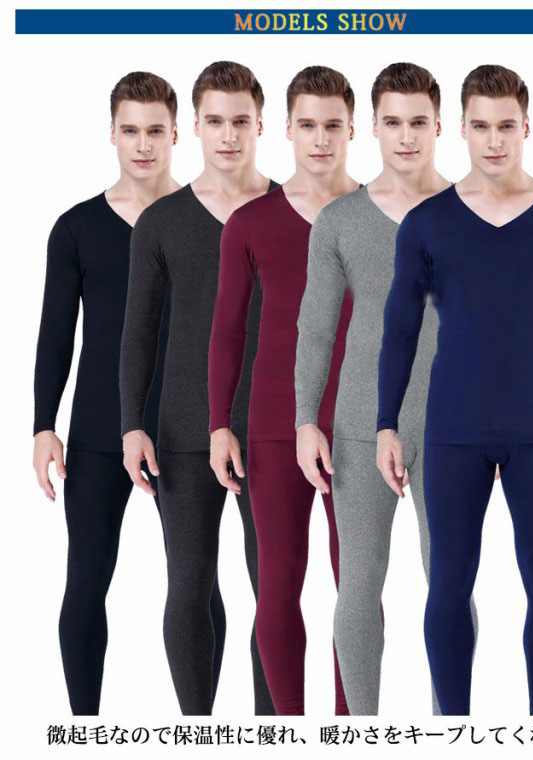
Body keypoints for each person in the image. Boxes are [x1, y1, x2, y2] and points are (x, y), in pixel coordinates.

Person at [377, 64, 533, 715]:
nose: (493, 140)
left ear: (526, 127)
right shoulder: (427, 223)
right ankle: (453, 735)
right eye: (480, 126)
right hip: (453, 431)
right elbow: (399, 330)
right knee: (448, 586)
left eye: (505, 126)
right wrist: (386, 424)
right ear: (461, 128)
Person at [295, 62, 480, 716]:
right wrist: (306, 420)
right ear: (372, 126)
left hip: (452, 427)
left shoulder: (474, 213)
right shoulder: (339, 220)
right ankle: (362, 735)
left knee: (450, 587)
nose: (406, 136)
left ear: (439, 126)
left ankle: (449, 730)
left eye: (418, 122)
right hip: (356, 424)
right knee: (357, 587)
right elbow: (316, 326)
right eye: (393, 122)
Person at [120, 61, 276, 716]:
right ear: (195, 127)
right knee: (188, 585)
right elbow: (139, 330)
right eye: (215, 121)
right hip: (182, 431)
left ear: (261, 124)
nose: (228, 135)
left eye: (241, 120)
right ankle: (196, 733)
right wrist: (132, 425)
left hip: (271, 431)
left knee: (274, 593)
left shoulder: (293, 212)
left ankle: (274, 735)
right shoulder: (161, 222)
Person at [209, 66, 358, 715]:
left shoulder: (381, 216)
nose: (320, 139)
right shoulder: (249, 223)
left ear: (352, 130)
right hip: (273, 426)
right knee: (276, 587)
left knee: (357, 590)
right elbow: (228, 330)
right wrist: (220, 423)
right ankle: (291, 734)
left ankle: (351, 729)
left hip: (360, 425)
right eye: (308, 125)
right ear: (287, 130)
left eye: (332, 126)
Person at [33, 71, 179, 715]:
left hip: (184, 428)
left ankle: (201, 730)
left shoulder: (207, 221)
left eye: (155, 132)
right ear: (112, 134)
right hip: (96, 430)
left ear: (175, 135)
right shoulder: (76, 228)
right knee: (86, 583)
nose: (143, 145)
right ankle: (84, 733)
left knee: (195, 587)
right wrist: (43, 425)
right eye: (131, 131)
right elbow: (55, 334)